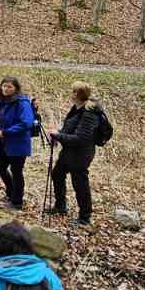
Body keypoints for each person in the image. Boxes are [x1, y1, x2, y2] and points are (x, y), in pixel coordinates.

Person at [49, 84, 100, 226]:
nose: (71, 93)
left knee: (80, 184)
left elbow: (80, 138)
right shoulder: (76, 108)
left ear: (78, 94)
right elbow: (69, 129)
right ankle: (60, 206)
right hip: (68, 152)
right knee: (57, 174)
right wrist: (58, 134)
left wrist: (58, 135)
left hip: (81, 155)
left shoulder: (89, 113)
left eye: (73, 91)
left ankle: (85, 217)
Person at [0, 76, 36, 211]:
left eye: (9, 87)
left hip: (18, 143)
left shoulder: (22, 103)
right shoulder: (2, 101)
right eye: (4, 86)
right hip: (3, 141)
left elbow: (26, 123)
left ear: (16, 89)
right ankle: (11, 192)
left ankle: (17, 202)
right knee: (0, 166)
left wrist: (5, 132)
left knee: (16, 171)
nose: (6, 89)